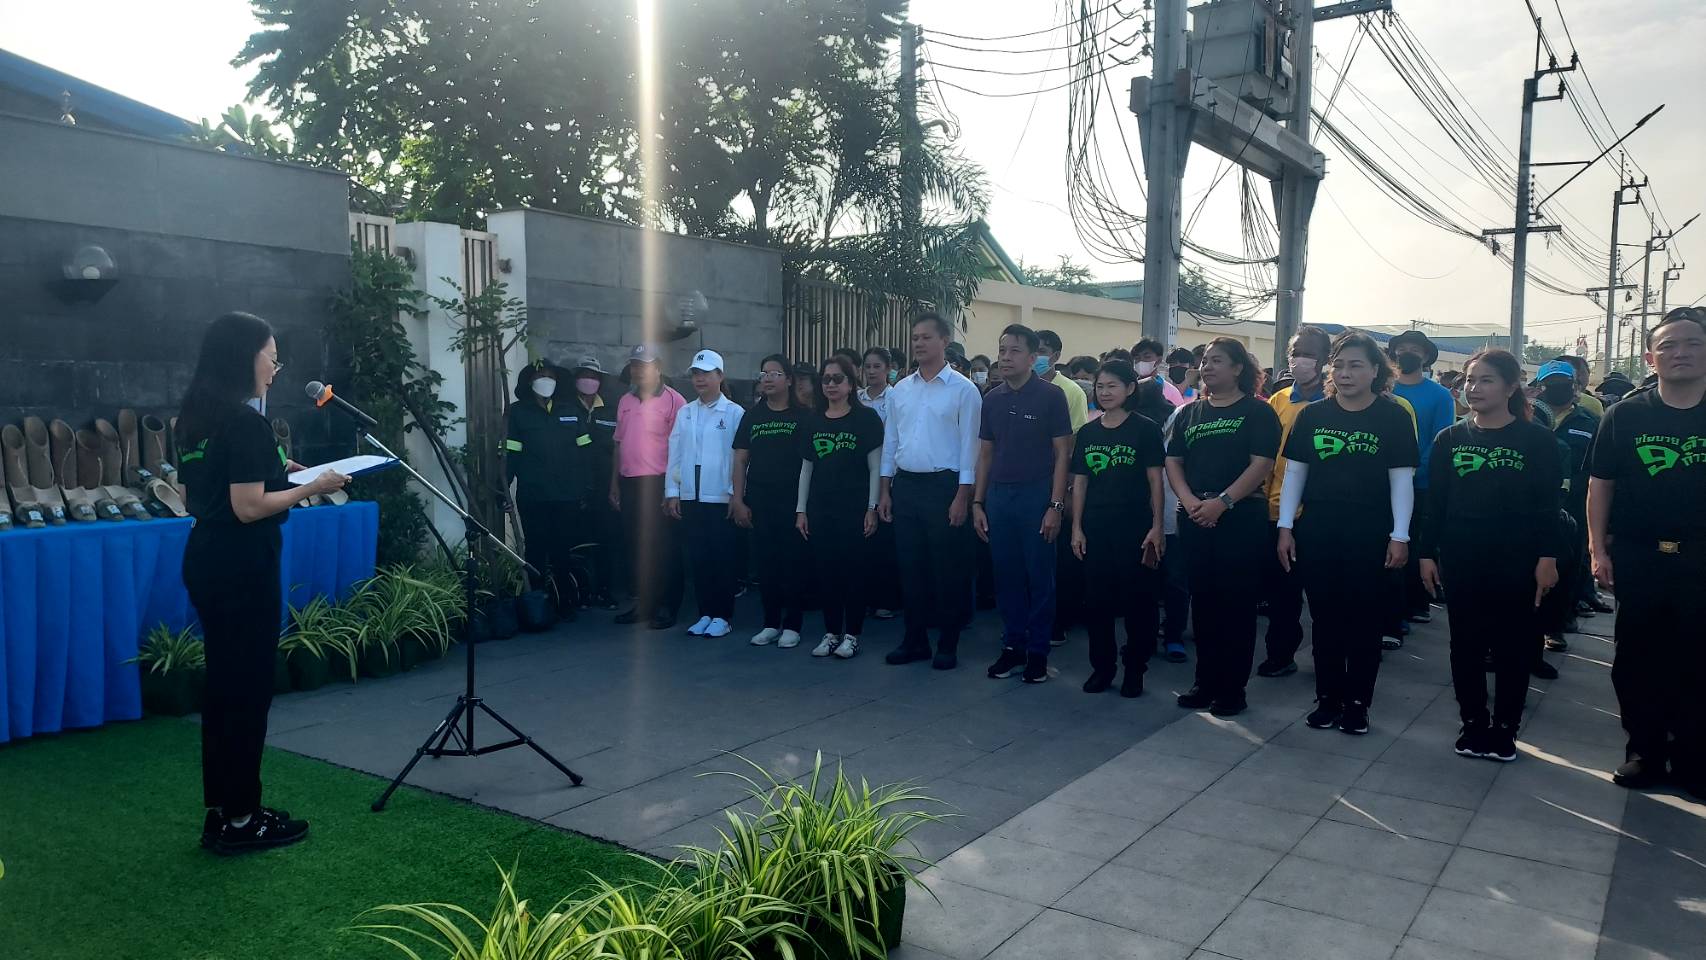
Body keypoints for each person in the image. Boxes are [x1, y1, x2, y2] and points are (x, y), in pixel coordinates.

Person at [178, 311, 347, 853]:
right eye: (271, 358)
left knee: (225, 688)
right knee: (247, 691)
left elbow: (204, 490)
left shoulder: (197, 416)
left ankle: (228, 811)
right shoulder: (245, 422)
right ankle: (243, 819)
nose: (275, 369)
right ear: (244, 357)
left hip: (208, 558)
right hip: (242, 567)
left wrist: (283, 471)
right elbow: (248, 506)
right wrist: (313, 486)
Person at [1416, 349, 1562, 762]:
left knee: (1513, 645)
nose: (1473, 388)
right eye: (1469, 379)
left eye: (1486, 380)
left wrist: (1548, 557)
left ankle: (1505, 728)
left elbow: (1548, 506)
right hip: (1462, 557)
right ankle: (1473, 722)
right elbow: (1436, 504)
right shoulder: (1450, 439)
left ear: (1511, 387)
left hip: (1518, 560)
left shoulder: (1537, 441)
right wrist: (1426, 553)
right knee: (1465, 644)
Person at [1587, 307, 1706, 797]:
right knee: (1638, 657)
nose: (1681, 353)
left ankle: (1694, 758)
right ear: (1650, 358)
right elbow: (1601, 485)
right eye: (1668, 346)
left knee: (1697, 657)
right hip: (1640, 555)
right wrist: (1597, 548)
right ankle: (1645, 752)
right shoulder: (1626, 415)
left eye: (1693, 343)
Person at [1276, 332, 1419, 736]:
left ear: (1375, 371)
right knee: (1324, 619)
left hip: (1371, 532)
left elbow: (1401, 480)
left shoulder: (1393, 417)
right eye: (1338, 365)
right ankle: (1327, 699)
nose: (1345, 373)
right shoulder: (1312, 415)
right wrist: (1285, 526)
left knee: (1364, 621)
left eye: (1356, 365)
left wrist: (1400, 535)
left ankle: (1357, 704)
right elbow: (1295, 474)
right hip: (1319, 529)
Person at [1165, 338, 1281, 717]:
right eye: (1205, 361)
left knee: (1236, 606)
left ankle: (1233, 690)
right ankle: (1206, 682)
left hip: (1240, 517)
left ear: (1238, 368)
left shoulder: (1258, 412)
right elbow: (1174, 461)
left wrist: (1223, 502)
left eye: (1217, 361)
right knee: (1204, 602)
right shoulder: (1189, 413)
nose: (1208, 367)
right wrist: (1189, 501)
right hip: (1195, 515)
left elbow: (1261, 463)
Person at [878, 313, 984, 670]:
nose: (919, 343)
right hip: (907, 485)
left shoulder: (964, 390)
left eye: (926, 337)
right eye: (915, 338)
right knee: (911, 568)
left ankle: (948, 643)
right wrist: (885, 490)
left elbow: (970, 447)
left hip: (945, 487)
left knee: (947, 569)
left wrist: (962, 496)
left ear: (944, 341)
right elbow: (891, 441)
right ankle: (915, 640)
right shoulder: (900, 390)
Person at [975, 324, 1075, 683]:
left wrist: (1055, 505)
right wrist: (978, 502)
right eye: (1002, 350)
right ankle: (1013, 646)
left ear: (1033, 358)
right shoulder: (992, 399)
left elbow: (1063, 454)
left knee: (1040, 576)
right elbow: (986, 454)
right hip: (999, 497)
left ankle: (1038, 652)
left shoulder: (1051, 396)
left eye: (1015, 351)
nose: (1005, 357)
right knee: (1006, 576)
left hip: (1037, 496)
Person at [1071, 360, 1167, 696]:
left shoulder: (1145, 429)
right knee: (1097, 602)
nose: (1105, 392)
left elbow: (1155, 481)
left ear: (1130, 389)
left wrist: (1157, 526)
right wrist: (1076, 527)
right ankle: (1102, 668)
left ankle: (1135, 669)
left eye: (1112, 386)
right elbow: (1080, 483)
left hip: (1134, 526)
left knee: (1138, 602)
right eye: (1100, 386)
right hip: (1096, 527)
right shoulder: (1088, 433)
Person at [504, 357, 617, 613]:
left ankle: (565, 602)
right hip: (533, 495)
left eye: (551, 376)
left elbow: (586, 452)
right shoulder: (517, 412)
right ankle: (537, 604)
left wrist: (587, 486)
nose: (546, 381)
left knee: (563, 549)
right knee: (535, 548)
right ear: (529, 382)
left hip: (567, 495)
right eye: (539, 376)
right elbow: (511, 453)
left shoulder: (570, 411)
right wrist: (503, 489)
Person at [796, 355, 885, 659]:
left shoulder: (866, 419)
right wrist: (801, 510)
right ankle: (831, 631)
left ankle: (852, 634)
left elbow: (875, 467)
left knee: (854, 573)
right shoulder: (814, 420)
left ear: (850, 383)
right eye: (826, 379)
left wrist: (872, 507)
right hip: (821, 509)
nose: (831, 384)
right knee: (827, 572)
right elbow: (806, 468)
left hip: (855, 509)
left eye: (837, 379)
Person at [1256, 326, 1332, 679]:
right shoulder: (1279, 400)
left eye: (1309, 353)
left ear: (1325, 359)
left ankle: (1329, 659)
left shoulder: (1335, 404)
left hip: (1320, 514)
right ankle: (1280, 654)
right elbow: (1268, 455)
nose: (1300, 360)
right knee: (1281, 593)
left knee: (1323, 594)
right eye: (1295, 353)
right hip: (1277, 511)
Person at [666, 348, 743, 638]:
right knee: (699, 557)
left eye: (706, 374)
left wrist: (736, 494)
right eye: (696, 374)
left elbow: (741, 459)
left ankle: (723, 616)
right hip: (691, 494)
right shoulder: (685, 412)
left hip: (720, 496)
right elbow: (675, 453)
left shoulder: (734, 413)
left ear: (720, 376)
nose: (699, 379)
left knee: (722, 557)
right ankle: (706, 613)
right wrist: (672, 491)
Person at [731, 354, 806, 649]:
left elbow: (809, 464)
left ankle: (793, 624)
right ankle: (771, 623)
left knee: (793, 564)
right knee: (766, 564)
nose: (768, 379)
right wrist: (738, 499)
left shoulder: (803, 416)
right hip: (760, 501)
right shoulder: (752, 416)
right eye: (764, 373)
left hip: (792, 502)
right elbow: (740, 460)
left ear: (789, 380)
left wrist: (804, 506)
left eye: (775, 373)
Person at [613, 345, 688, 629]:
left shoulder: (674, 400)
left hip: (660, 483)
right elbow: (618, 443)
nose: (638, 371)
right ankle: (644, 605)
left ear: (658, 368)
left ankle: (668, 606)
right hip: (630, 483)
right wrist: (614, 484)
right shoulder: (625, 400)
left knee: (665, 548)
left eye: (644, 365)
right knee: (637, 547)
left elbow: (681, 449)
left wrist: (673, 490)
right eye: (634, 365)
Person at [1388, 330, 1455, 633]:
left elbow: (1440, 440)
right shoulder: (1384, 389)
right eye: (1402, 347)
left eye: (1414, 349)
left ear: (1426, 356)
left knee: (1414, 544)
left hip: (1422, 483)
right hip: (1383, 484)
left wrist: (1413, 469)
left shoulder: (1439, 395)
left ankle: (1416, 603)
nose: (1407, 352)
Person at [1534, 358, 1600, 651]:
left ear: (1575, 386)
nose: (1559, 388)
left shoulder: (1589, 422)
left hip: (1574, 506)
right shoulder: (1528, 417)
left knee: (1567, 568)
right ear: (1540, 387)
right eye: (1552, 384)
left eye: (1565, 383)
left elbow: (1599, 468)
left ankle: (1556, 626)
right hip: (1536, 506)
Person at [859, 347, 903, 620]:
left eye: (877, 366)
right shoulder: (857, 398)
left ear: (888, 369)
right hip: (860, 474)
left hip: (889, 475)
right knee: (863, 539)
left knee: (886, 541)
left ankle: (887, 599)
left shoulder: (897, 397)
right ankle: (863, 597)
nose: (872, 371)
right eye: (868, 366)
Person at [1035, 330, 1089, 431]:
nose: (1035, 356)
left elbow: (1077, 432)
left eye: (1041, 351)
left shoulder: (1073, 392)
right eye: (1032, 351)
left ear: (1056, 356)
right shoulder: (1020, 387)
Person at [1133, 338, 1187, 406]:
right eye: (1137, 358)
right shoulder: (1130, 388)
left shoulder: (1172, 392)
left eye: (1147, 357)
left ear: (1158, 360)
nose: (1141, 361)